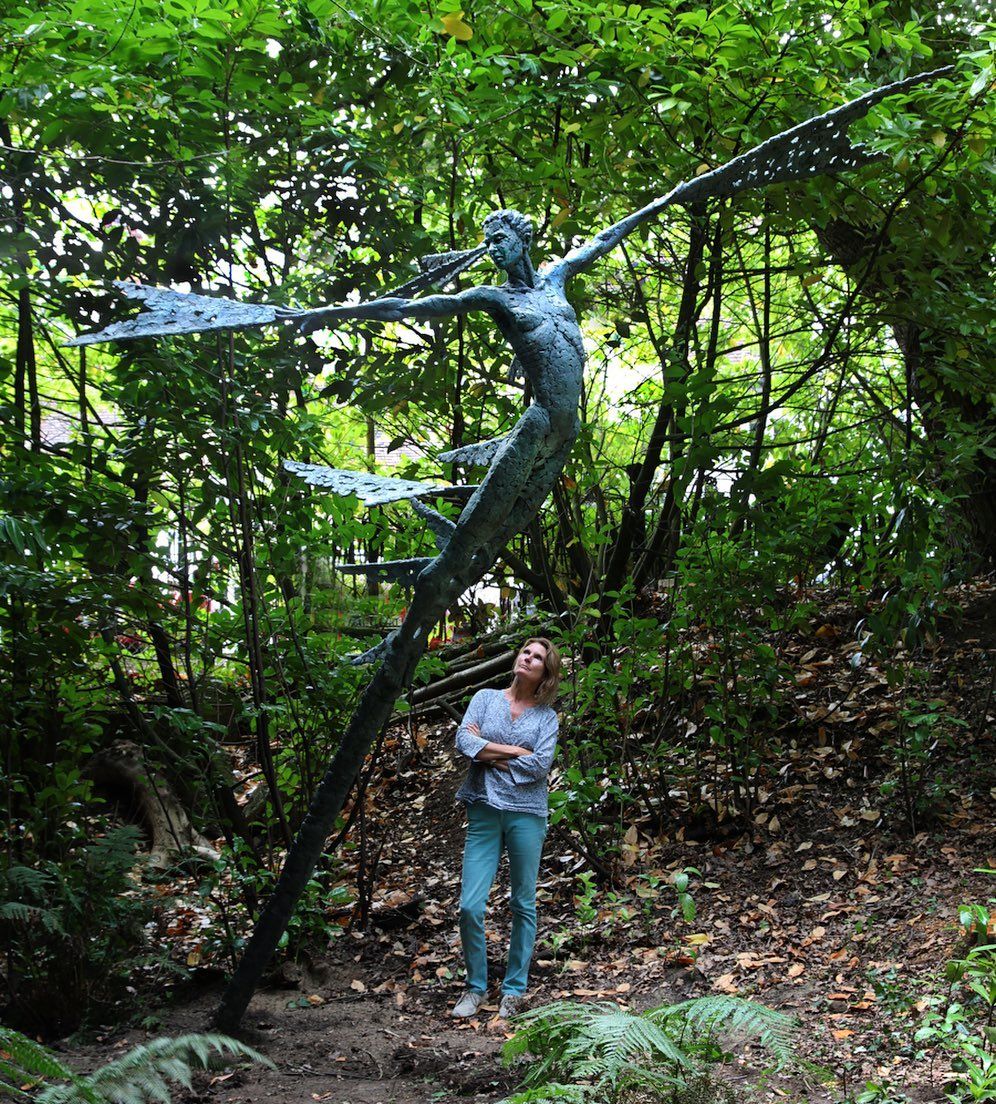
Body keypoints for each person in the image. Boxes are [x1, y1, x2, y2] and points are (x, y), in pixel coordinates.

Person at [449, 637, 562, 1020]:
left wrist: (487, 751)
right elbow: (464, 741)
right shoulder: (485, 698)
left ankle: (514, 989)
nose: (528, 658)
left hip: (526, 814)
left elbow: (540, 765)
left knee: (522, 903)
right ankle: (476, 987)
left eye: (537, 657)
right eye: (526, 652)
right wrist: (514, 751)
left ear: (545, 673)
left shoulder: (546, 718)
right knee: (469, 906)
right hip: (483, 808)